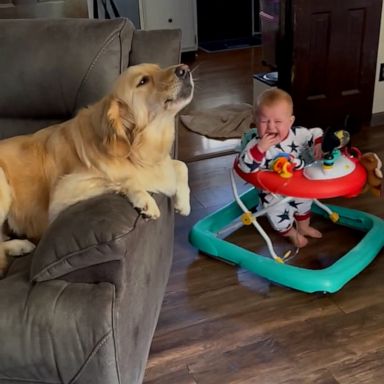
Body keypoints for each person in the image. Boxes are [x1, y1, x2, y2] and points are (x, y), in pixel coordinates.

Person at [238, 88, 323, 248]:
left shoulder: (298, 134)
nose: (271, 127)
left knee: (305, 201)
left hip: (298, 184)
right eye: (264, 121)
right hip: (271, 191)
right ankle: (290, 232)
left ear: (290, 122)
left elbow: (316, 132)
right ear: (255, 121)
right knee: (276, 212)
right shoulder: (256, 144)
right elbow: (245, 166)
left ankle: (303, 227)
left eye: (277, 122)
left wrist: (318, 143)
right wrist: (260, 149)